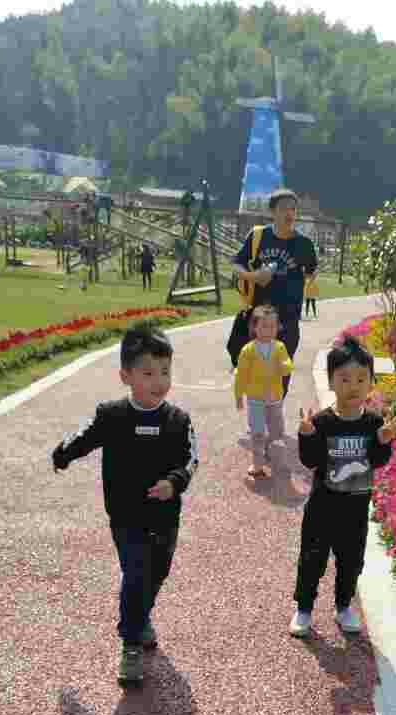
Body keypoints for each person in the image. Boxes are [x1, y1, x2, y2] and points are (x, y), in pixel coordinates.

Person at [51, 321, 199, 687]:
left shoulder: (178, 420)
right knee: (135, 572)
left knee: (157, 573)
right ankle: (131, 643)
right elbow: (85, 437)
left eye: (165, 372)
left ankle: (141, 616)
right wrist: (64, 453)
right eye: (148, 373)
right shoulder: (112, 415)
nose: (158, 381)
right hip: (125, 515)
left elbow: (190, 459)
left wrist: (173, 483)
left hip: (165, 517)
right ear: (125, 376)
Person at [289, 337, 396, 638]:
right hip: (322, 507)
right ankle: (304, 608)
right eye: (345, 378)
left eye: (361, 379)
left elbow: (377, 462)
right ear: (331, 381)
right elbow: (311, 461)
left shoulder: (373, 423)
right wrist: (307, 435)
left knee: (351, 561)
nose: (353, 386)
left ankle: (343, 606)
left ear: (371, 383)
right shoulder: (323, 422)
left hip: (355, 509)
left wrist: (382, 442)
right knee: (312, 558)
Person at [231, 188, 318, 394]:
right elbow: (236, 263)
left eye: (293, 209)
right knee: (255, 375)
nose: (289, 213)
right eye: (284, 208)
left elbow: (312, 270)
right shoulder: (258, 236)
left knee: (281, 378)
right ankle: (258, 411)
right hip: (259, 318)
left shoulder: (304, 244)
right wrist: (254, 276)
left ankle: (274, 410)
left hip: (288, 319)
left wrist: (302, 282)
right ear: (272, 211)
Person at [234, 305, 292, 478]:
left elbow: (287, 363)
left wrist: (285, 366)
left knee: (277, 431)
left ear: (277, 327)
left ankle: (269, 449)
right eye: (264, 326)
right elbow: (241, 374)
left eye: (273, 326)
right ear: (255, 327)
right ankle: (257, 463)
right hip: (255, 400)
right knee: (257, 432)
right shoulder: (248, 350)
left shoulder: (280, 347)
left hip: (274, 399)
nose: (269, 330)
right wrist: (238, 395)